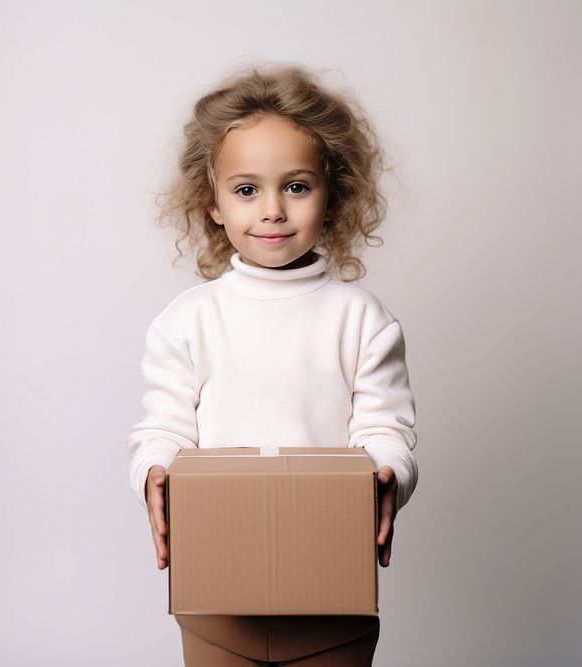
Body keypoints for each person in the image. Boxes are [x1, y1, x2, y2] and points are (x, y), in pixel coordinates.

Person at [127, 63, 419, 666]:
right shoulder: (189, 320)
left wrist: (390, 470)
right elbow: (163, 430)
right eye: (246, 189)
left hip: (330, 601)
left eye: (296, 186)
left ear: (331, 194)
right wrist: (153, 472)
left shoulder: (360, 318)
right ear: (212, 203)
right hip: (217, 604)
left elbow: (386, 430)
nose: (272, 211)